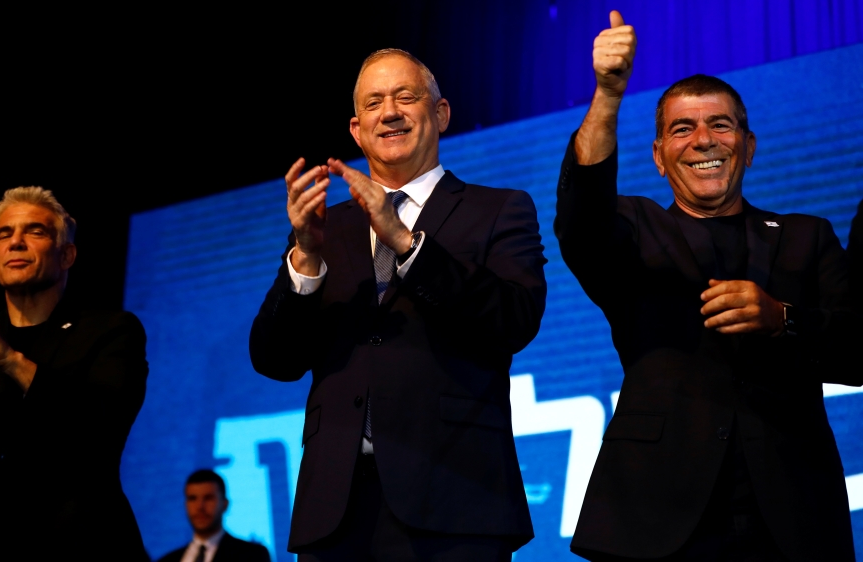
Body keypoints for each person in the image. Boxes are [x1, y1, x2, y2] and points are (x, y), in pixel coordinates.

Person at [554, 10, 860, 561]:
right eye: (681, 128)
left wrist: (783, 318)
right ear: (658, 157)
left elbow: (861, 350)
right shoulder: (632, 230)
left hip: (792, 514)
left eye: (720, 125)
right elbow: (581, 214)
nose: (703, 140)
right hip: (656, 514)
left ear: (748, 144)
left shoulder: (805, 237)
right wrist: (607, 94)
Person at [249, 48, 547, 561]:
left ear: (441, 113)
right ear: (357, 129)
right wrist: (304, 257)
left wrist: (407, 244)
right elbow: (275, 360)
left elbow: (513, 320)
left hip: (455, 499)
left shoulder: (500, 208)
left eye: (405, 97)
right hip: (335, 509)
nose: (389, 112)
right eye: (373, 103)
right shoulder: (326, 227)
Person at [0, 186, 149, 560]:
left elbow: (97, 426)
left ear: (66, 254)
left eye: (34, 231)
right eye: (5, 234)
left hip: (79, 544)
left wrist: (9, 360)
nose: (15, 242)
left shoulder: (111, 331)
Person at [156, 469, 271, 562]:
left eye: (208, 498)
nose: (200, 506)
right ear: (185, 505)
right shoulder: (166, 560)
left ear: (224, 504)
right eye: (192, 499)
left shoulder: (252, 555)